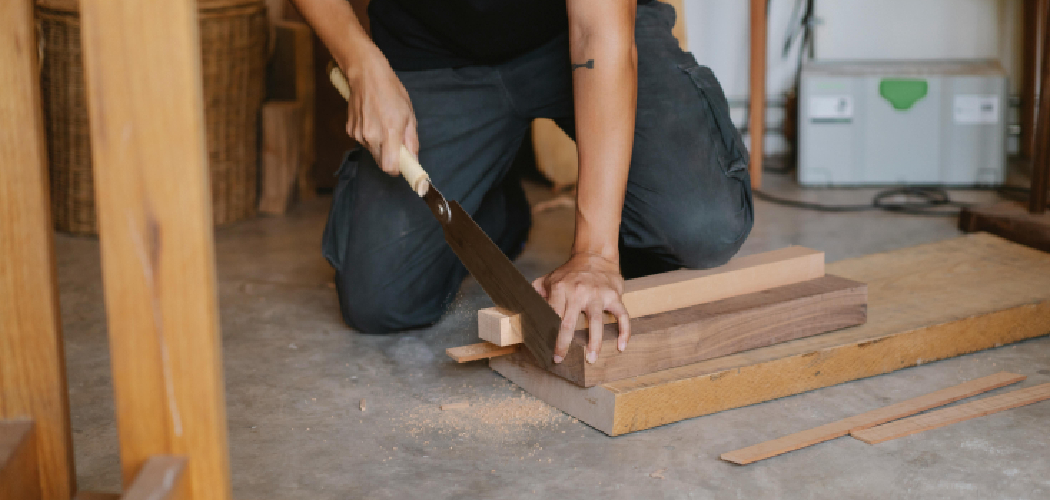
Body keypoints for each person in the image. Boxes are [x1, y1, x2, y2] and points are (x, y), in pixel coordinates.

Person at [292, 0, 754, 365]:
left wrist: (595, 254)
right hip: (432, 48)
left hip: (583, 29)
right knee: (381, 300)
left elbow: (598, 28)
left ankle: (620, 229)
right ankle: (494, 203)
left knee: (702, 225)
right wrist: (358, 60)